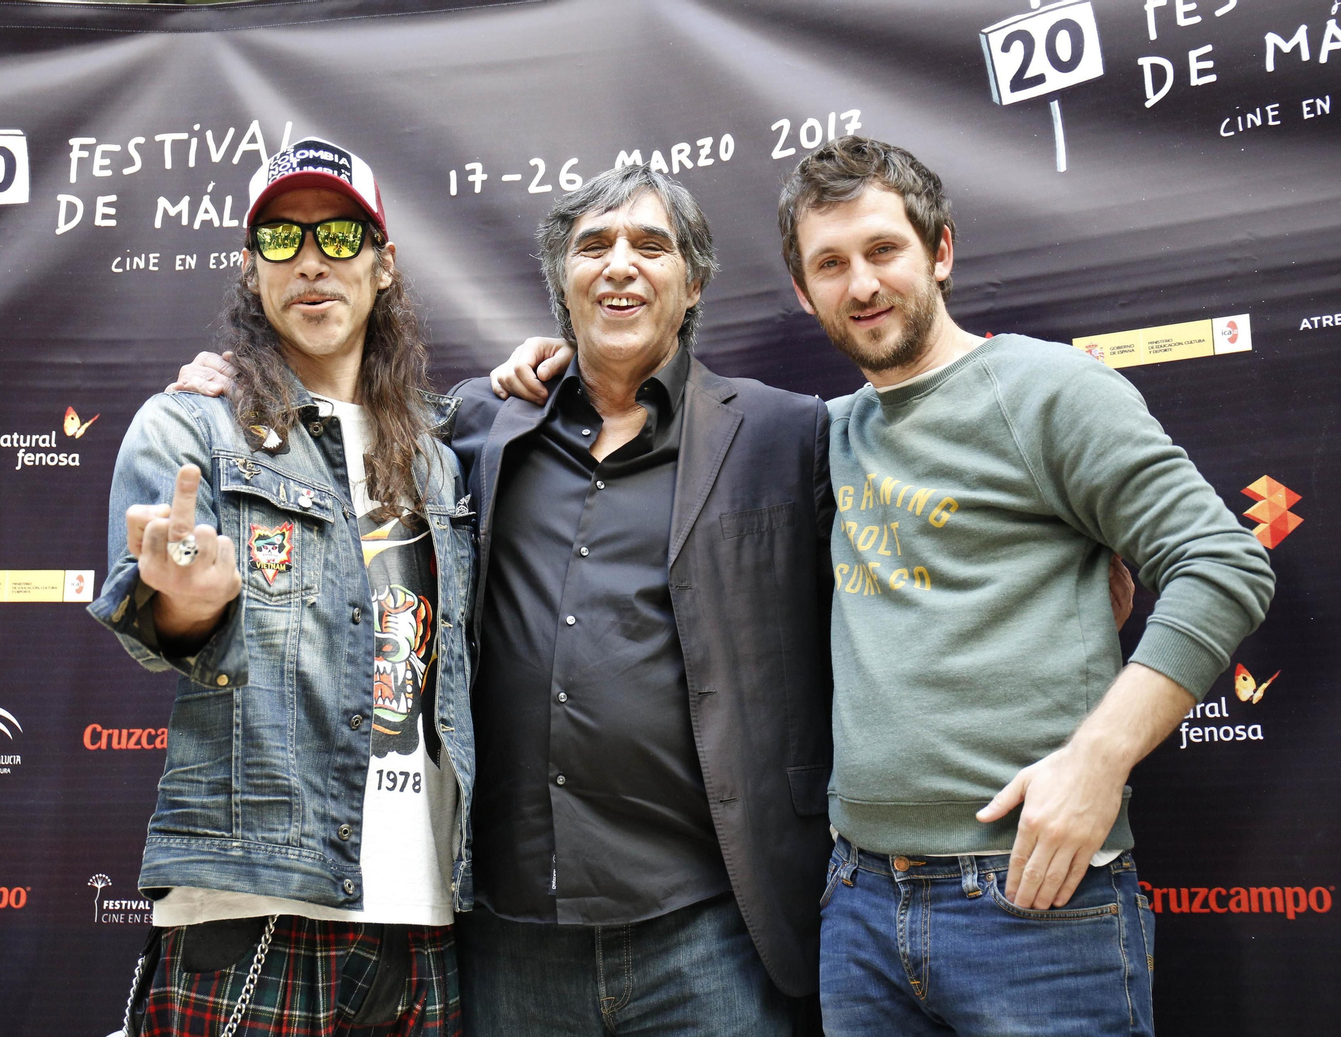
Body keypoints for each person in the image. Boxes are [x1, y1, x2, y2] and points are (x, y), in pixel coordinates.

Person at [492, 136, 1274, 1036]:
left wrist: (1100, 760)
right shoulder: (814, 437)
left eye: (882, 251)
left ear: (939, 253)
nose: (861, 285)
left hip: (1033, 898)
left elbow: (1221, 561)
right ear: (801, 290)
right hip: (857, 906)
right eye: (830, 263)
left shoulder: (1050, 388)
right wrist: (567, 359)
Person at [177, 164, 838, 1035]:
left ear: (695, 281)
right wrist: (241, 384)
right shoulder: (478, 427)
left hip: (710, 928)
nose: (620, 266)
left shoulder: (790, 432)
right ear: (561, 282)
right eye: (593, 246)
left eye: (650, 245)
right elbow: (342, 423)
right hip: (512, 939)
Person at [89, 137, 476, 1037]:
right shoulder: (190, 426)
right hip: (253, 904)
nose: (311, 261)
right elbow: (162, 618)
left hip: (427, 918)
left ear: (385, 267)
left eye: (340, 237)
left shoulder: (438, 460)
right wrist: (192, 597)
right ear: (250, 269)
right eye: (282, 238)